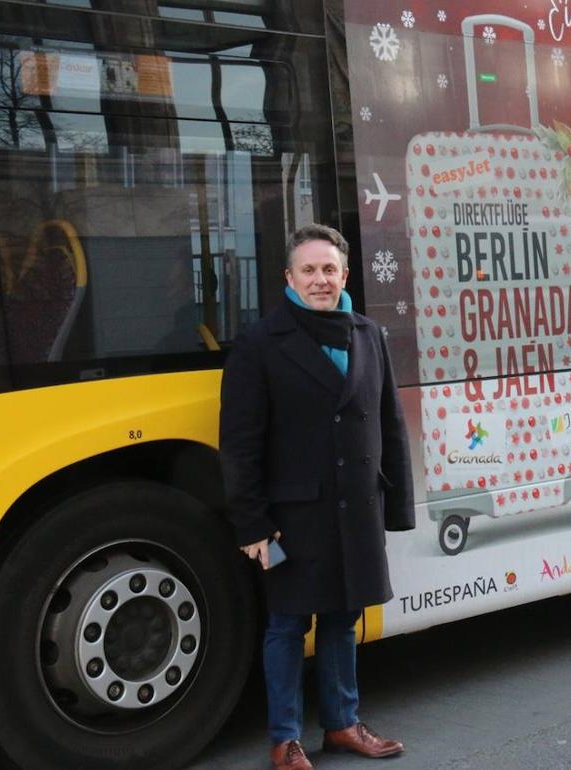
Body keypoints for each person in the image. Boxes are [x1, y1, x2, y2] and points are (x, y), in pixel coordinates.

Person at [220, 223, 415, 770]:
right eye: (309, 270)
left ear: (345, 275)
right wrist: (252, 525)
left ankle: (342, 725)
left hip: (357, 508)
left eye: (329, 269)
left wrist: (396, 507)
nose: (320, 280)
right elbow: (238, 445)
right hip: (289, 518)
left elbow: (389, 427)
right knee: (287, 624)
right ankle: (285, 739)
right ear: (289, 277)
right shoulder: (260, 344)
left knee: (341, 619)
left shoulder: (368, 334)